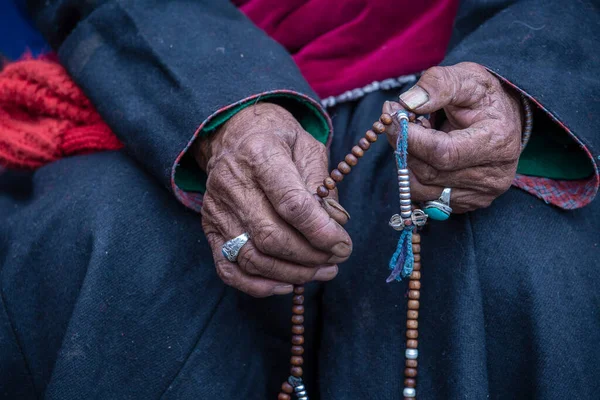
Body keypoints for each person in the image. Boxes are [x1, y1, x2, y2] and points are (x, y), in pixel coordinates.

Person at [0, 0, 598, 399]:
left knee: (520, 258)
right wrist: (224, 112)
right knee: (114, 250)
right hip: (171, 81)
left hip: (471, 85)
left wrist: (516, 93)